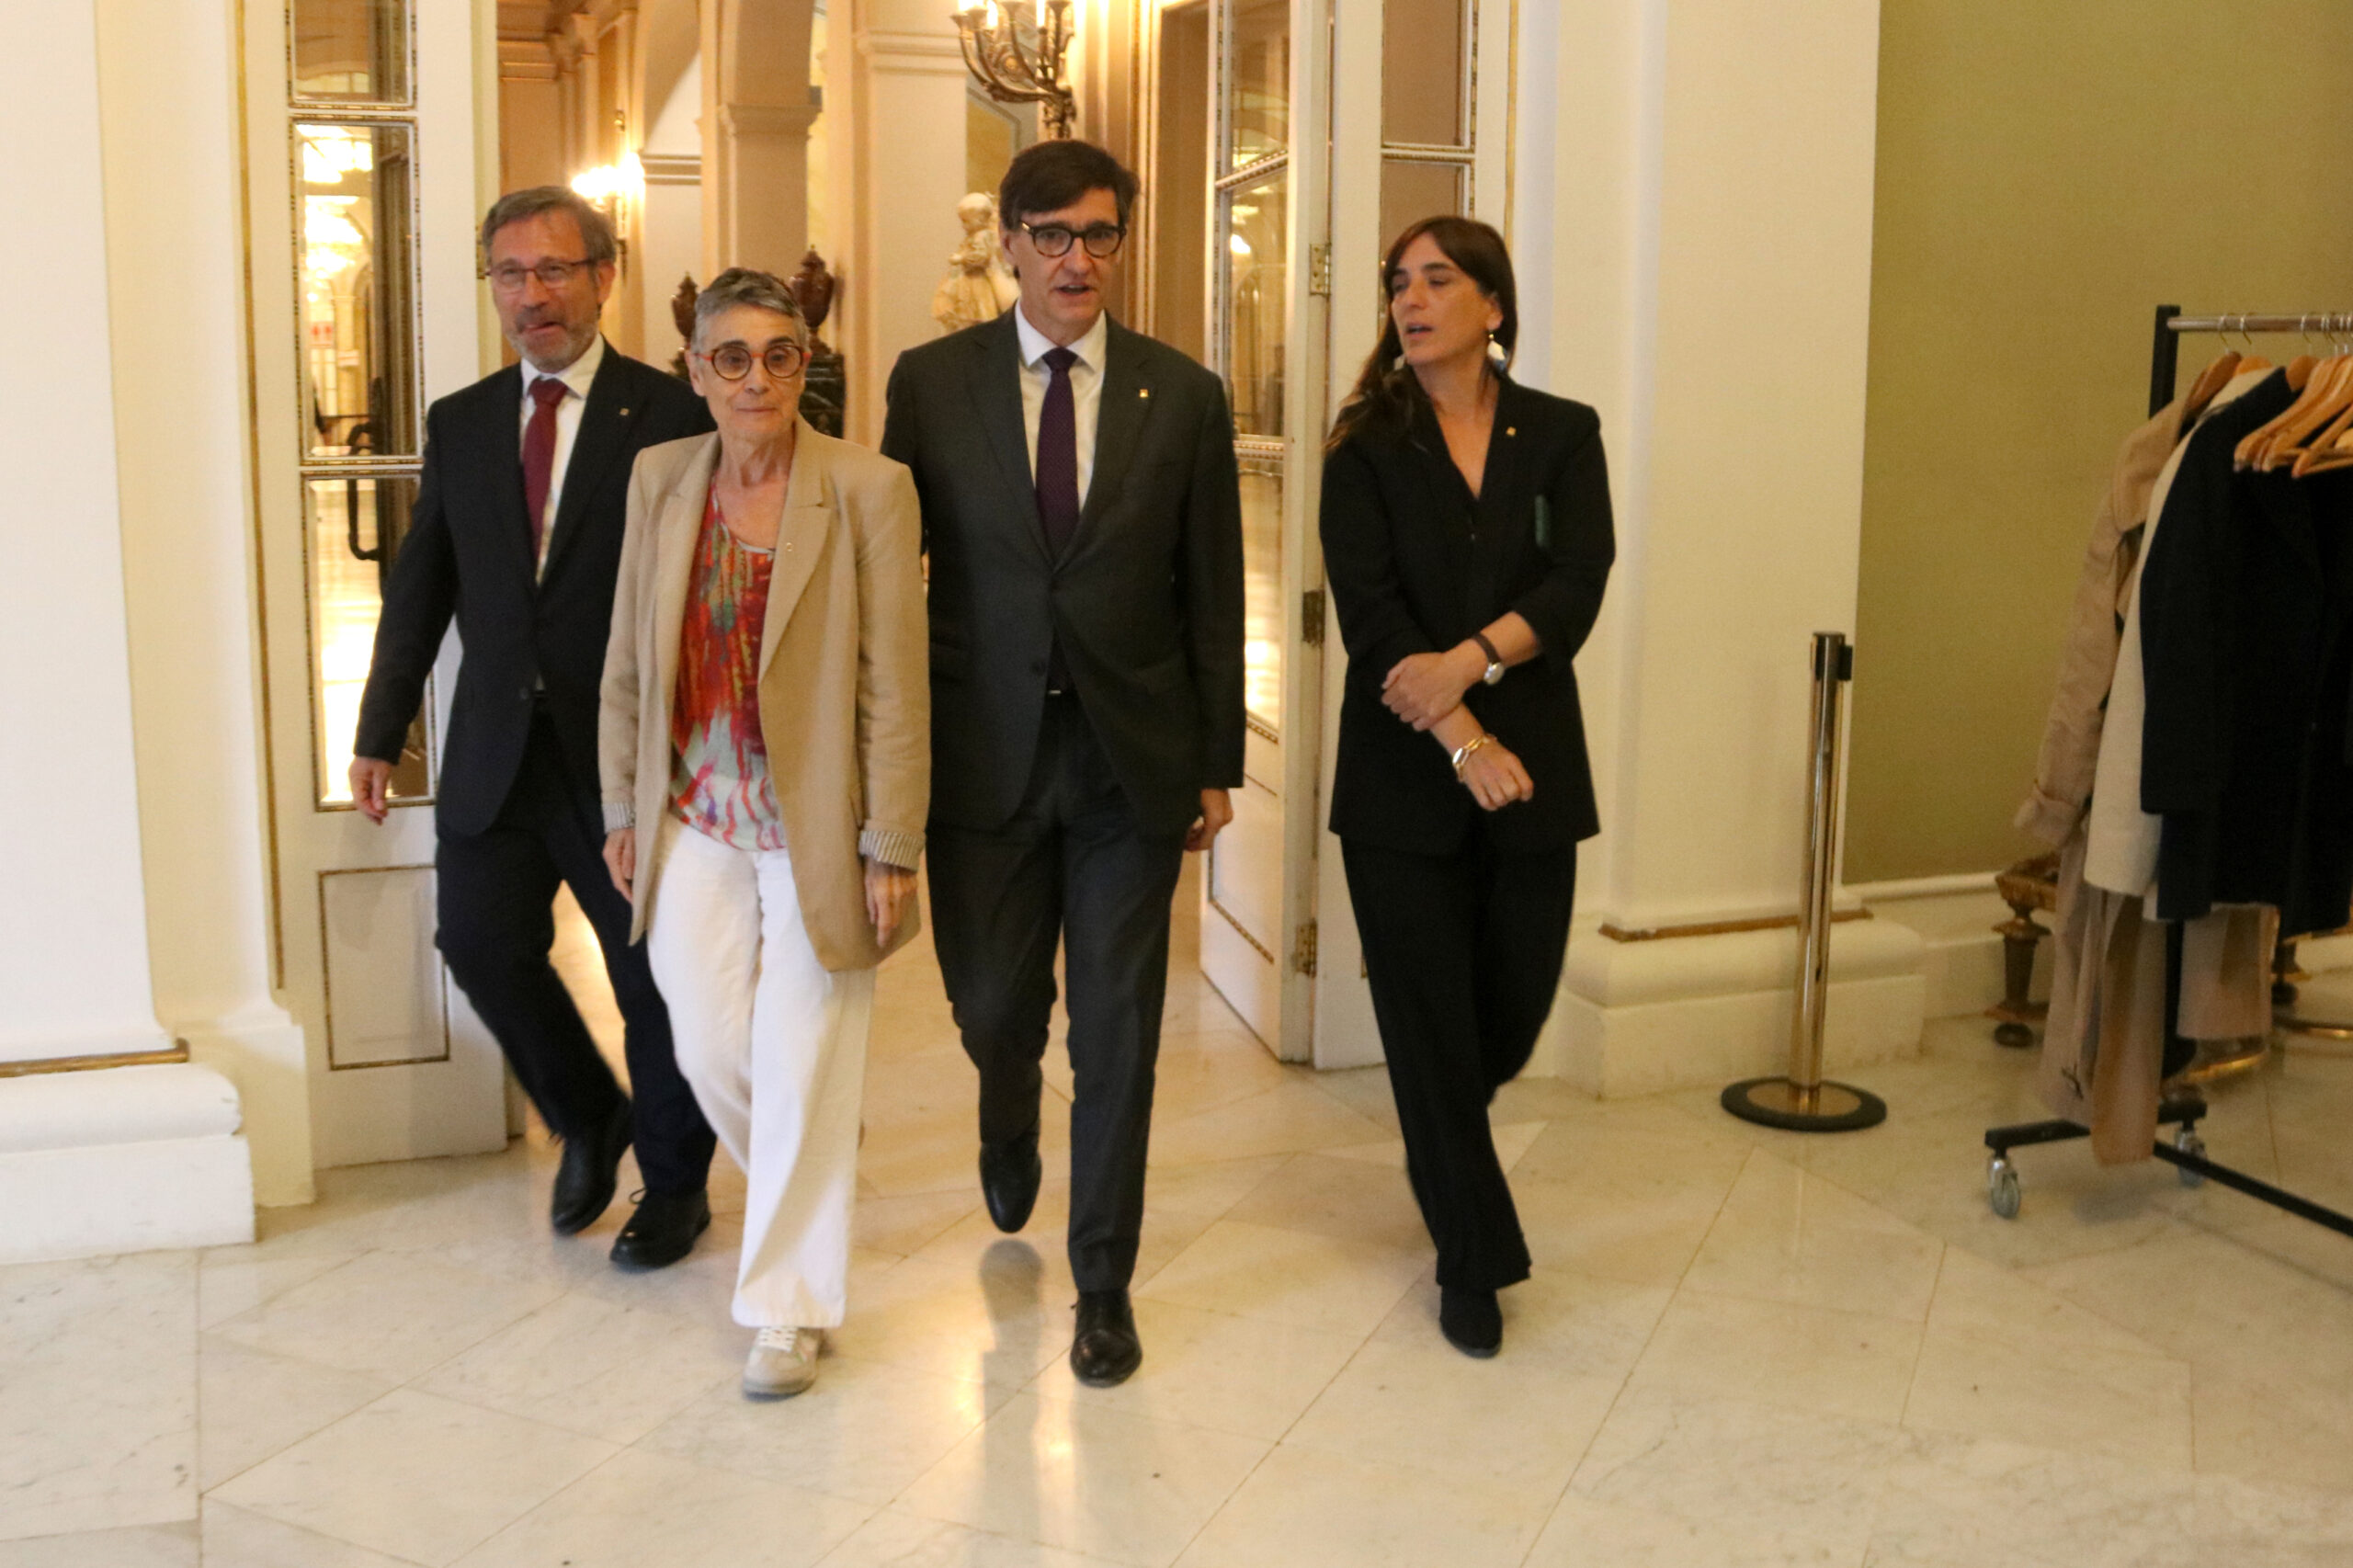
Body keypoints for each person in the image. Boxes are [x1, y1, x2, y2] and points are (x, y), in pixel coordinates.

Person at [881, 140, 1245, 1387]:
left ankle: (1103, 1283)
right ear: (1009, 246)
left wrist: (1213, 758)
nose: (1075, 258)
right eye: (1050, 235)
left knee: (1119, 1032)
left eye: (1098, 234)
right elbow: (891, 573)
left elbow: (1211, 588)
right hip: (979, 754)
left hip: (1126, 764)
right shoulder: (931, 384)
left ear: (1120, 244)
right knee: (993, 1006)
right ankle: (1005, 1104)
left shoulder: (1181, 395)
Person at [352, 187, 717, 1267]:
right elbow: (421, 585)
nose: (532, 295)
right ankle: (588, 1111)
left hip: (622, 756)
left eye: (554, 269)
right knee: (477, 941)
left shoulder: (672, 414)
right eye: (510, 273)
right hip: (496, 750)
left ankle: (675, 1185)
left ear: (604, 276)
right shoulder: (461, 422)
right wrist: (379, 729)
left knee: (649, 977)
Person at [599, 268, 928, 1399]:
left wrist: (892, 840)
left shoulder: (869, 487)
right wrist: (621, 807)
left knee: (802, 1058)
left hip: (817, 824)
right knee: (708, 1049)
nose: (755, 378)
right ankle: (812, 1145)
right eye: (730, 357)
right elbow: (628, 660)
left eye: (778, 355)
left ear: (805, 366)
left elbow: (894, 680)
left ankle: (786, 1310)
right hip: (694, 811)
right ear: (695, 370)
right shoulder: (660, 478)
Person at [1318, 217, 1615, 1358]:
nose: (1411, 298)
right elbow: (1374, 618)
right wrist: (1459, 734)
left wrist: (1474, 660)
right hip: (1403, 778)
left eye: (1438, 279)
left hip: (1534, 769)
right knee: (1427, 1018)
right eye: (1399, 282)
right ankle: (1472, 1259)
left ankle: (1439, 1133)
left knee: (1508, 1009)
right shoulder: (1364, 448)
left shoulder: (1563, 433)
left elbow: (1577, 578)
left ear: (1493, 305)